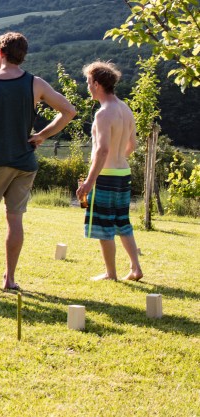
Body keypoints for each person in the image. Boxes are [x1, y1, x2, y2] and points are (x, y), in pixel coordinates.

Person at [0, 32, 77, 291]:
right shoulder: (36, 84)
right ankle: (9, 279)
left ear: (0, 53)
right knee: (15, 219)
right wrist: (42, 135)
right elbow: (69, 111)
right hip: (25, 163)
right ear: (22, 55)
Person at [76, 62, 143, 281]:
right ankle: (135, 268)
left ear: (97, 84)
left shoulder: (103, 113)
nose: (87, 86)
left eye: (88, 82)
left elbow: (102, 150)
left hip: (106, 176)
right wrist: (117, 157)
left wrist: (89, 181)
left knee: (104, 225)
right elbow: (132, 145)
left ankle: (110, 273)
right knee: (122, 222)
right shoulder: (125, 108)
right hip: (123, 173)